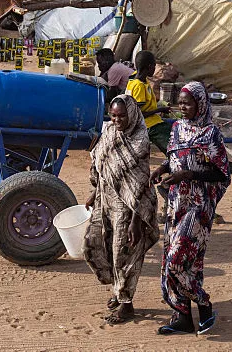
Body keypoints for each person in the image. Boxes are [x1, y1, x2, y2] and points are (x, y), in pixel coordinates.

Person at [151, 82, 229, 336]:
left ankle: (204, 304)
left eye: (188, 103)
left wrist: (186, 174)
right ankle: (183, 317)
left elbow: (220, 173)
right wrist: (163, 168)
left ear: (200, 104)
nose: (182, 107)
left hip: (199, 205)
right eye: (181, 103)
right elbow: (175, 155)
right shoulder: (176, 128)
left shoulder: (211, 133)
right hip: (176, 203)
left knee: (176, 260)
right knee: (188, 263)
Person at [84, 95, 160, 325]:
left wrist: (137, 221)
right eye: (114, 115)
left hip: (128, 208)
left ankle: (127, 304)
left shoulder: (139, 142)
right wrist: (94, 191)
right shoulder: (109, 131)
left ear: (132, 115)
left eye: (122, 116)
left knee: (123, 254)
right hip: (105, 199)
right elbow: (100, 160)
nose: (117, 120)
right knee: (94, 245)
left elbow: (140, 184)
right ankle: (119, 291)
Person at [126, 51, 171, 152]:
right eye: (154, 66)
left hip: (151, 121)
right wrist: (159, 109)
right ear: (150, 67)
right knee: (171, 144)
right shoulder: (139, 86)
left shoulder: (134, 79)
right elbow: (139, 114)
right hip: (148, 124)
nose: (155, 69)